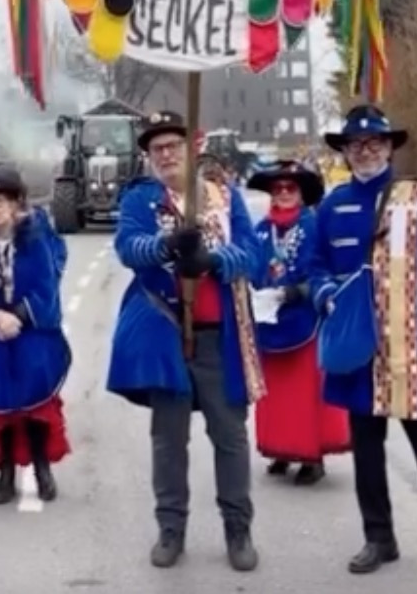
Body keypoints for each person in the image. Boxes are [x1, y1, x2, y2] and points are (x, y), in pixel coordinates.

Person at [310, 105, 417, 584]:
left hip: (415, 350)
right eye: (356, 144)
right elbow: (315, 266)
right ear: (345, 151)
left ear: (388, 147)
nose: (366, 151)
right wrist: (326, 295)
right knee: (367, 451)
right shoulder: (332, 205)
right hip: (360, 351)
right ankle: (379, 537)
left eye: (375, 143)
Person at [108, 110, 268, 573]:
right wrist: (166, 247)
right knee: (168, 441)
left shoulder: (224, 195)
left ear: (191, 148)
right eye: (156, 148)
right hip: (167, 335)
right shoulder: (141, 200)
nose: (165, 154)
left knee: (230, 438)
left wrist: (213, 260)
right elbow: (128, 247)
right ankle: (171, 529)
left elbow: (253, 255)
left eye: (173, 145)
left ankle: (238, 529)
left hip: (220, 336)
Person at [0, 167, 72, 505]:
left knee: (36, 404)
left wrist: (18, 316)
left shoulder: (35, 242)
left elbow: (46, 289)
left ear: (16, 204)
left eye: (1, 200)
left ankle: (42, 468)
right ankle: (5, 473)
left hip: (31, 332)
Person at [249, 160, 349, 484]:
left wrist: (296, 291)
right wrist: (254, 288)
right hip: (269, 320)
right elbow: (252, 265)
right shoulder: (261, 229)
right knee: (275, 392)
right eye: (277, 188)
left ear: (302, 193)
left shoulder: (314, 226)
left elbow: (323, 269)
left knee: (305, 391)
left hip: (305, 320)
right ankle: (281, 448)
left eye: (290, 187)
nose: (283, 193)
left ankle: (311, 456)